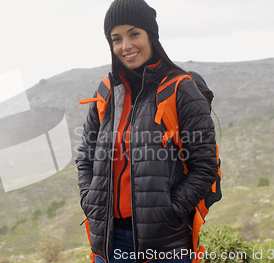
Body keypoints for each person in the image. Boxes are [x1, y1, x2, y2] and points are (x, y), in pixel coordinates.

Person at [75, 0, 218, 262]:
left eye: (134, 34)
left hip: (165, 244)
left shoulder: (180, 88)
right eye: (116, 39)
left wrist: (168, 210)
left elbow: (205, 166)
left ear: (151, 35)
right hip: (109, 240)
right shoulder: (107, 91)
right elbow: (85, 157)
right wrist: (89, 198)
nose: (125, 46)